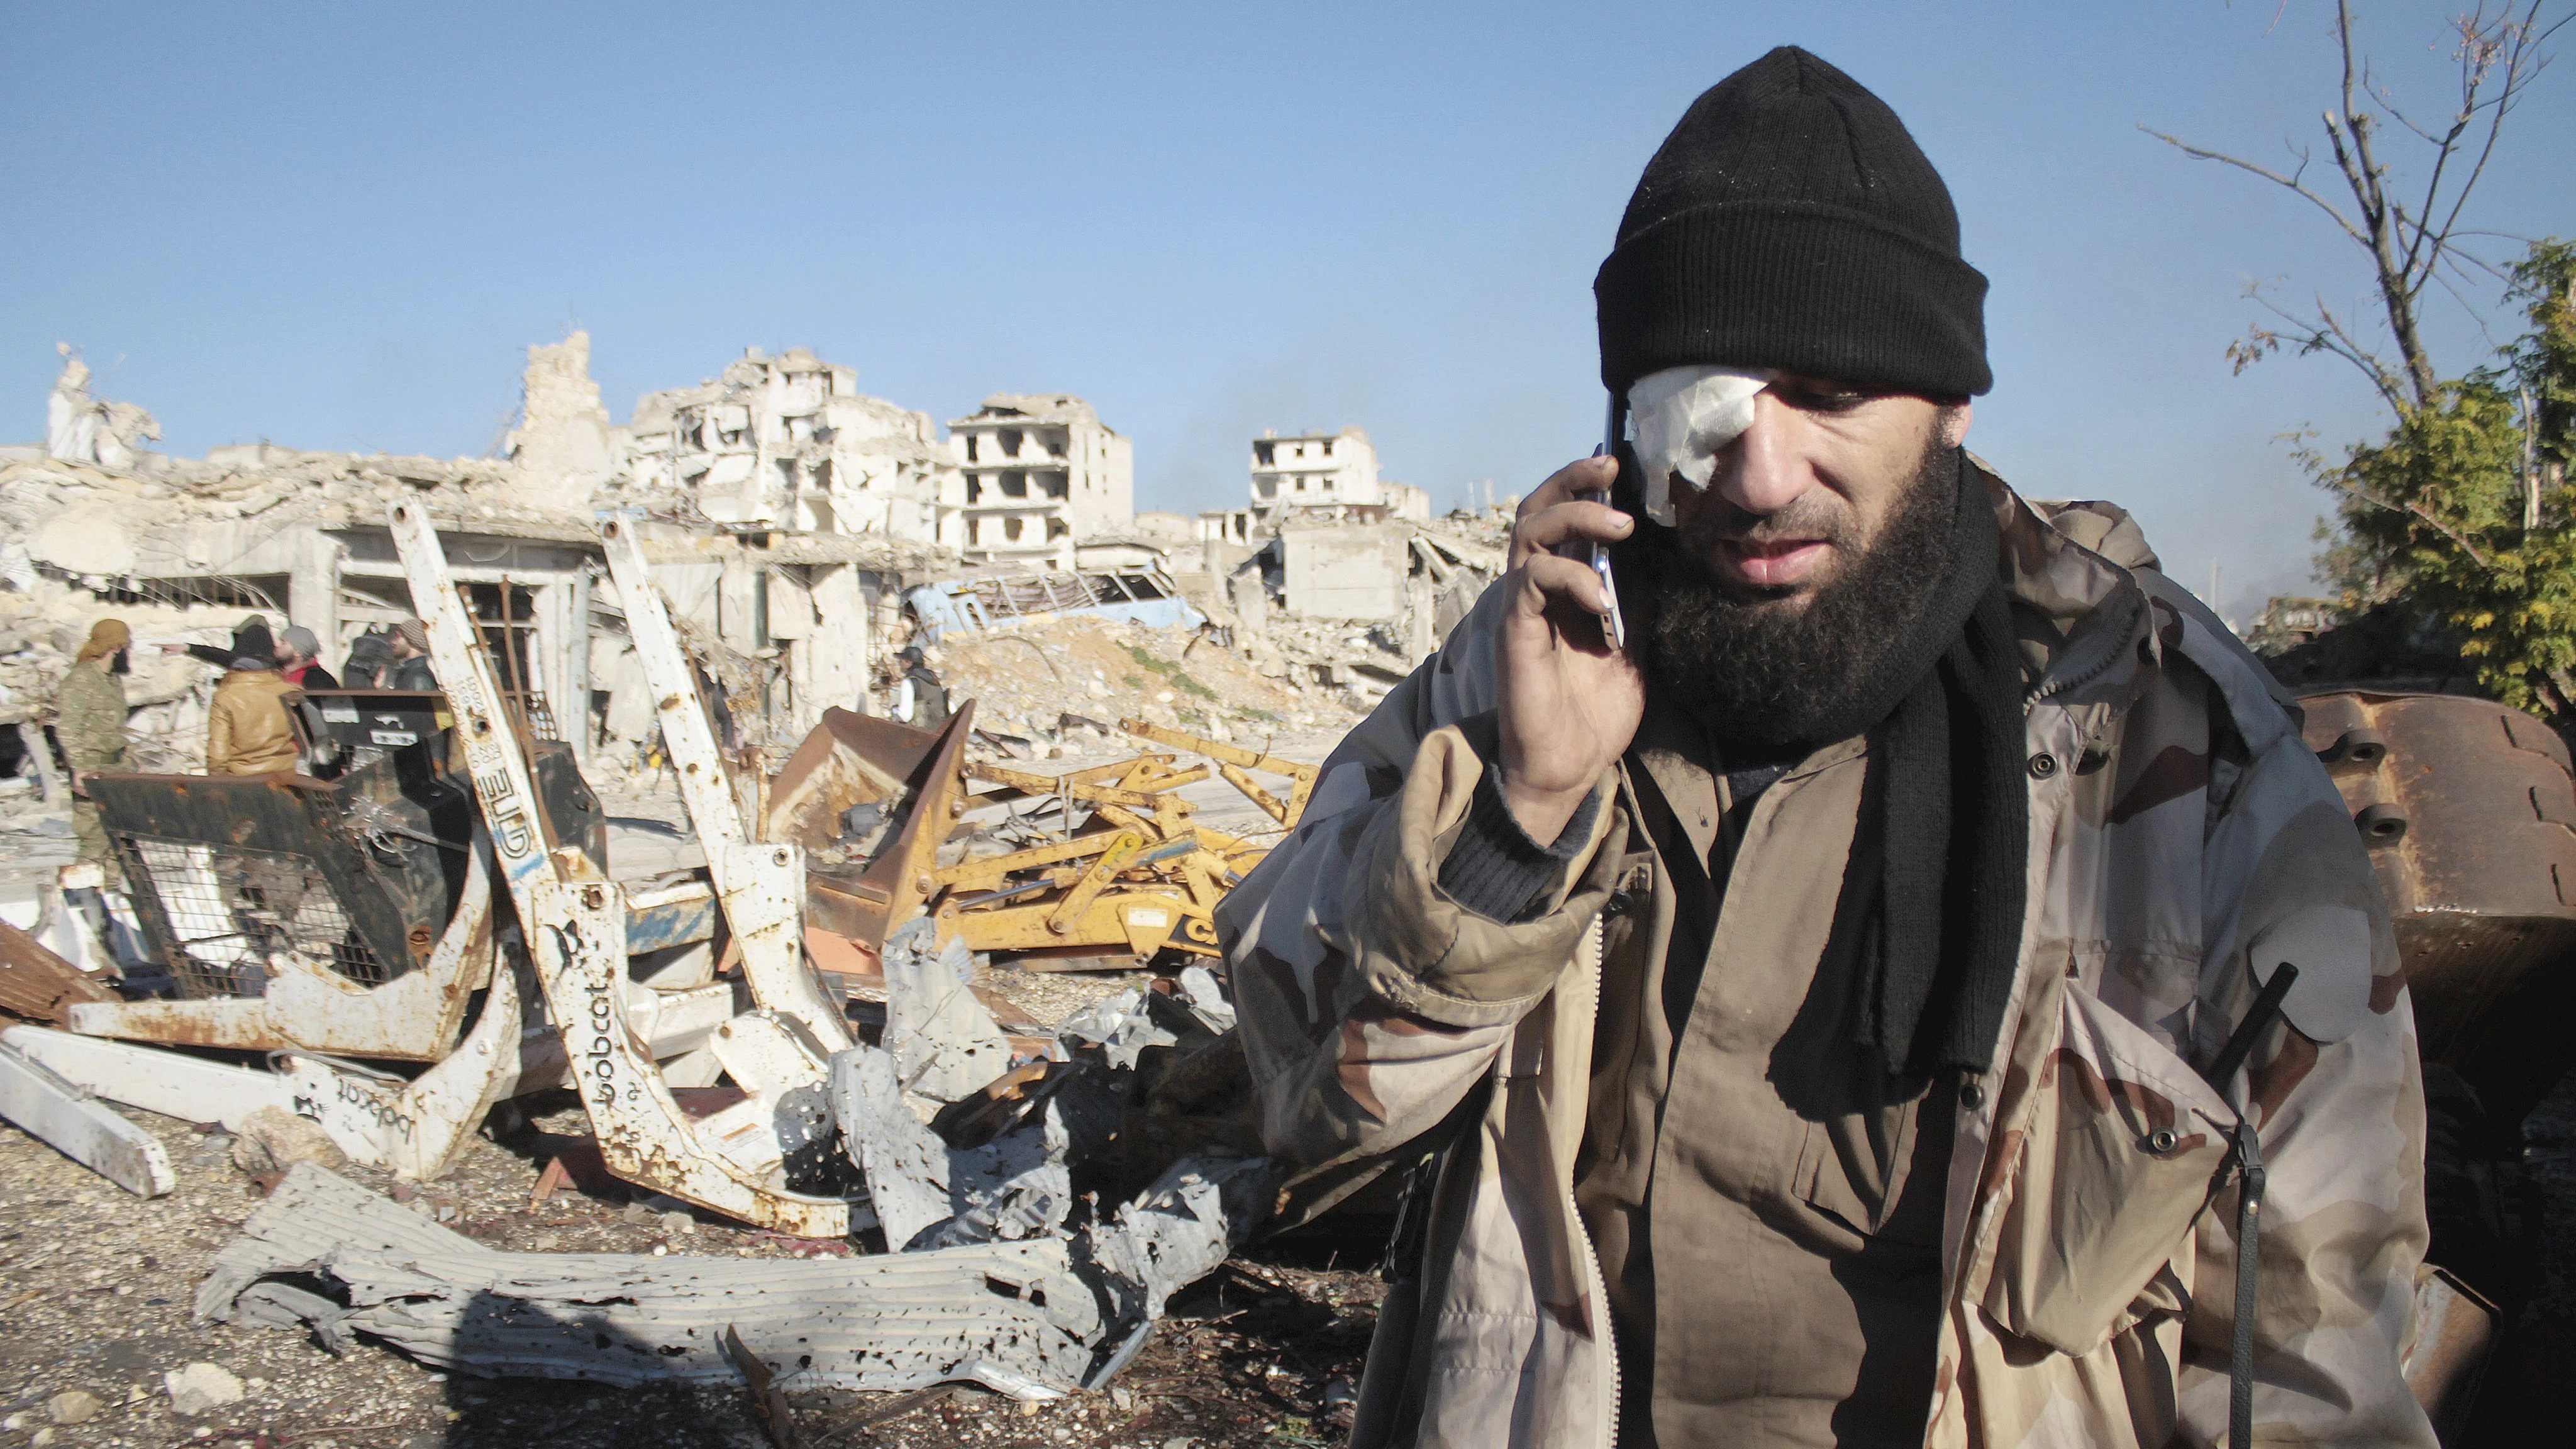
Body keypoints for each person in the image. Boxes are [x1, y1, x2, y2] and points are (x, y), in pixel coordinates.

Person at [1218, 48, 2431, 1449]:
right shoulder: (1522, 678)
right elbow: (1304, 1118)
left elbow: (2317, 1364)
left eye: (1834, 393)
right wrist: (1520, 818)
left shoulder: (2174, 759)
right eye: (1709, 401)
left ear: (1952, 403)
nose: (1759, 473)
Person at [55, 618, 131, 875]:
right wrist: (78, 769)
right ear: (117, 646)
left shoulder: (112, 681)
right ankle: (87, 899)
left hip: (117, 768)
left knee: (120, 840)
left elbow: (116, 727)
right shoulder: (81, 680)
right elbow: (68, 728)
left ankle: (112, 893)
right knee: (94, 840)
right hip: (91, 768)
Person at [204, 619, 303, 775]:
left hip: (243, 783)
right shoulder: (292, 693)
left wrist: (218, 785)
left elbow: (218, 757)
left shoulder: (225, 697)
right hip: (286, 780)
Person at [887, 645, 949, 729]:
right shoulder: (934, 679)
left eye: (901, 661)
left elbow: (905, 716)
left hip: (921, 734)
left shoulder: (909, 682)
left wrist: (894, 711)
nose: (899, 663)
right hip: (939, 731)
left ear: (908, 663)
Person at [380, 619, 437, 691]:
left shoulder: (418, 678)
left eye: (398, 636)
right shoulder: (407, 673)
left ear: (412, 639)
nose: (393, 642)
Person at [274, 626, 339, 690]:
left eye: (283, 643)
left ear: (298, 652)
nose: (278, 646)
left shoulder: (319, 682)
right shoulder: (276, 674)